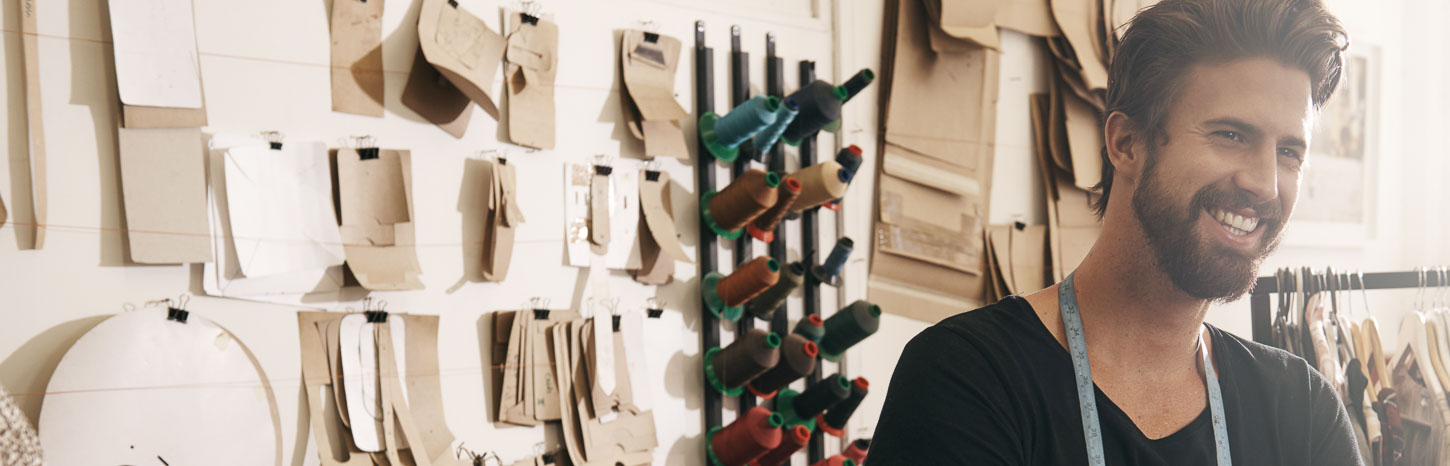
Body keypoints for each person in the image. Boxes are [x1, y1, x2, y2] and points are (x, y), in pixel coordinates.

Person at [867, 0, 1356, 464]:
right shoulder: (966, 379)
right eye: (1231, 135)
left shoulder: (1301, 409)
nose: (1264, 184)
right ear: (1126, 144)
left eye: (1289, 152)